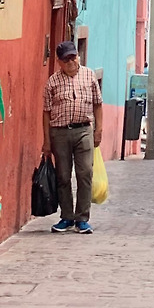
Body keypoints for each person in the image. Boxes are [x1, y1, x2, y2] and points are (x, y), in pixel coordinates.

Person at [42, 41, 102, 234]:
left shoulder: (89, 75)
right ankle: (67, 216)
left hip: (84, 130)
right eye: (66, 59)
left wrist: (98, 130)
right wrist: (46, 141)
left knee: (85, 172)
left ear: (78, 56)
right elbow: (46, 112)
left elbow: (98, 104)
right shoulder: (52, 82)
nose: (71, 62)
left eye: (73, 57)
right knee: (63, 175)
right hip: (59, 132)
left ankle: (82, 218)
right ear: (59, 61)